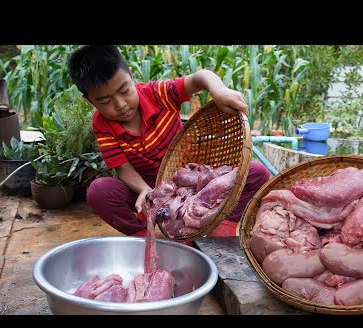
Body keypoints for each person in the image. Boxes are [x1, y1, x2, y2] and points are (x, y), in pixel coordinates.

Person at [67, 45, 270, 239]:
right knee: (99, 192)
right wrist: (145, 191)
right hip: (148, 188)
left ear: (130, 75)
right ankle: (145, 236)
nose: (120, 105)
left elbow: (200, 77)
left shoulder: (158, 94)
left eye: (124, 91)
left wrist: (219, 90)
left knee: (258, 173)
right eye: (105, 101)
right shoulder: (102, 124)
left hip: (193, 180)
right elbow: (124, 169)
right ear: (89, 100)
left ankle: (219, 226)